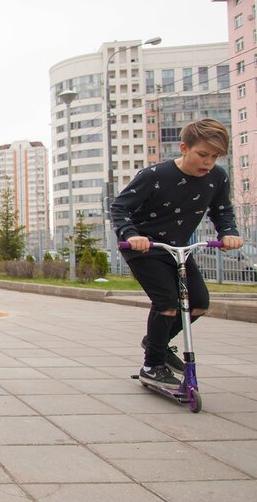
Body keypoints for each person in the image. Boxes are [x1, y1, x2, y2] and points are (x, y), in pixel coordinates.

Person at [110, 118, 242, 390]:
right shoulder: (155, 175)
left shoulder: (217, 178)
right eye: (202, 154)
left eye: (214, 157)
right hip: (146, 248)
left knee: (199, 303)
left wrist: (227, 232)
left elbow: (222, 211)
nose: (208, 162)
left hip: (178, 249)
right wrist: (131, 235)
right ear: (184, 147)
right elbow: (120, 207)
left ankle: (155, 343)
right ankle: (152, 365)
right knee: (167, 304)